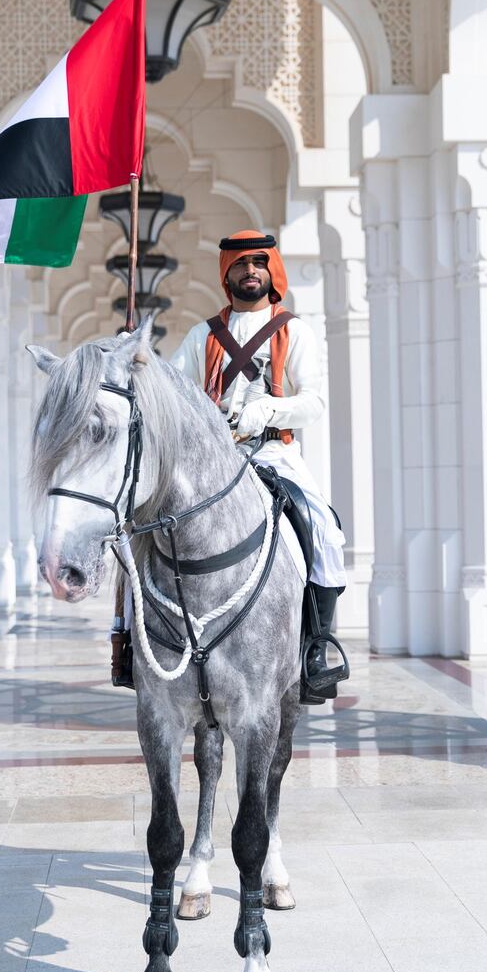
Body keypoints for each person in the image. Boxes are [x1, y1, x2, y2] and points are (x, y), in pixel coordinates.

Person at [167, 229, 347, 703]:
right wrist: (137, 358)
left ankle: (314, 648)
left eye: (258, 263)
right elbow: (172, 387)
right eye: (241, 264)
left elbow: (314, 402)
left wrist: (268, 409)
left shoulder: (295, 330)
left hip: (272, 451)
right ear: (227, 274)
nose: (250, 271)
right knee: (146, 528)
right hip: (212, 456)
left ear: (272, 272)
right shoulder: (202, 335)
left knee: (324, 531)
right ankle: (131, 642)